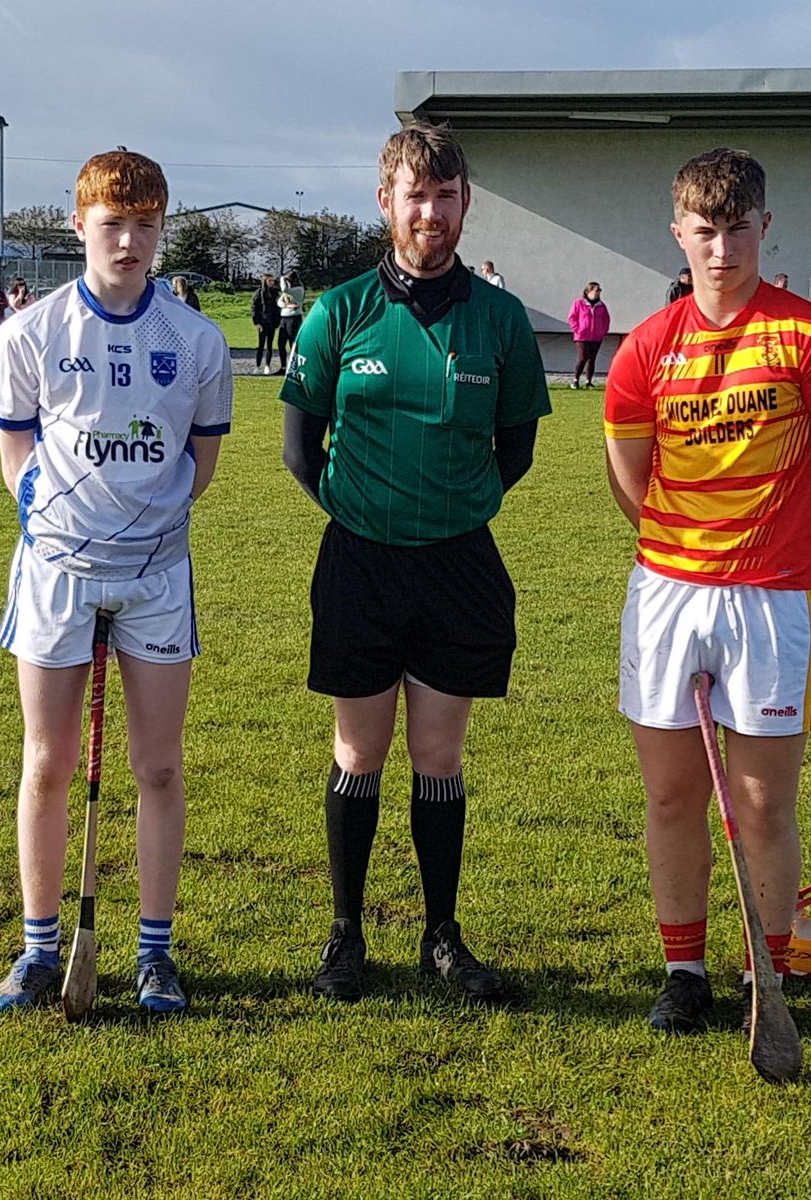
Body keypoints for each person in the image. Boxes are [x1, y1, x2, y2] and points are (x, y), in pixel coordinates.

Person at [604, 147, 811, 1037]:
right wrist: (687, 552)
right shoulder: (645, 348)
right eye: (704, 231)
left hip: (773, 601)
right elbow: (628, 478)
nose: (721, 250)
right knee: (673, 796)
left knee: (761, 803)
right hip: (669, 594)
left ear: (765, 227)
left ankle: (770, 969)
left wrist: (790, 549)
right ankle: (684, 971)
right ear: (677, 232)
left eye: (737, 228)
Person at [280, 121, 551, 1004]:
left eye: (445, 195)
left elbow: (516, 451)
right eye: (413, 195)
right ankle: (345, 934)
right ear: (385, 202)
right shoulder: (338, 310)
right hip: (360, 562)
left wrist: (444, 511)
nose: (428, 212)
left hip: (458, 566)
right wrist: (368, 514)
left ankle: (443, 934)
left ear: (465, 204)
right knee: (360, 750)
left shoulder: (501, 321)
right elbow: (298, 445)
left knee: (439, 754)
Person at [0, 148, 233, 1014]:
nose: (129, 241)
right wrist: (57, 527)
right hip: (56, 574)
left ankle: (156, 953)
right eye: (112, 224)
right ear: (78, 223)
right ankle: (39, 949)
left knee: (158, 767)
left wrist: (144, 531)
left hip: (157, 577)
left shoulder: (196, 341)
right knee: (48, 764)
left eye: (146, 225)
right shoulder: (30, 333)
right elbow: (16, 452)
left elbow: (200, 467)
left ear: (163, 229)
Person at [566, 281, 610, 389]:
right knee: (582, 358)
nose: (598, 293)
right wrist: (577, 329)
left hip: (596, 337)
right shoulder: (579, 303)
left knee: (592, 359)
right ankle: (575, 380)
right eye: (596, 290)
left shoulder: (601, 306)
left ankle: (588, 381)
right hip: (582, 336)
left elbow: (606, 320)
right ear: (588, 291)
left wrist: (602, 331)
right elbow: (572, 317)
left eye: (599, 290)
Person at [251, 273, 281, 373]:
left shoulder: (275, 293)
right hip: (262, 323)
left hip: (271, 323)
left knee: (269, 345)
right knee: (260, 345)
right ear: (265, 282)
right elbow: (254, 309)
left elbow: (278, 307)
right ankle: (257, 366)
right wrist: (256, 322)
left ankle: (267, 365)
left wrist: (277, 321)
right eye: (270, 281)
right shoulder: (258, 294)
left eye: (273, 281)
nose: (272, 283)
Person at [276, 269, 304, 372]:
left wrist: (282, 278)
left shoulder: (298, 289)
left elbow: (284, 290)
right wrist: (287, 305)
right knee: (281, 343)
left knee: (293, 343)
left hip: (294, 318)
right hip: (284, 318)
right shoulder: (289, 291)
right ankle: (283, 366)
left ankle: (294, 366)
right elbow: (279, 302)